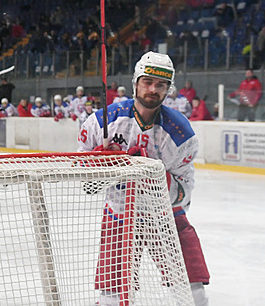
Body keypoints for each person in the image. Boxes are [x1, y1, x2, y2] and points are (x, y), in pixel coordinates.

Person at [77, 51, 210, 306]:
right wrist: (100, 163)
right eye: (147, 82)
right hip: (119, 213)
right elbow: (88, 184)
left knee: (194, 294)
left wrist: (153, 177)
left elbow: (184, 193)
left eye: (160, 85)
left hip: (166, 218)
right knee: (111, 297)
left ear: (168, 89)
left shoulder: (181, 134)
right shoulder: (101, 123)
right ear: (135, 82)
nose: (153, 89)